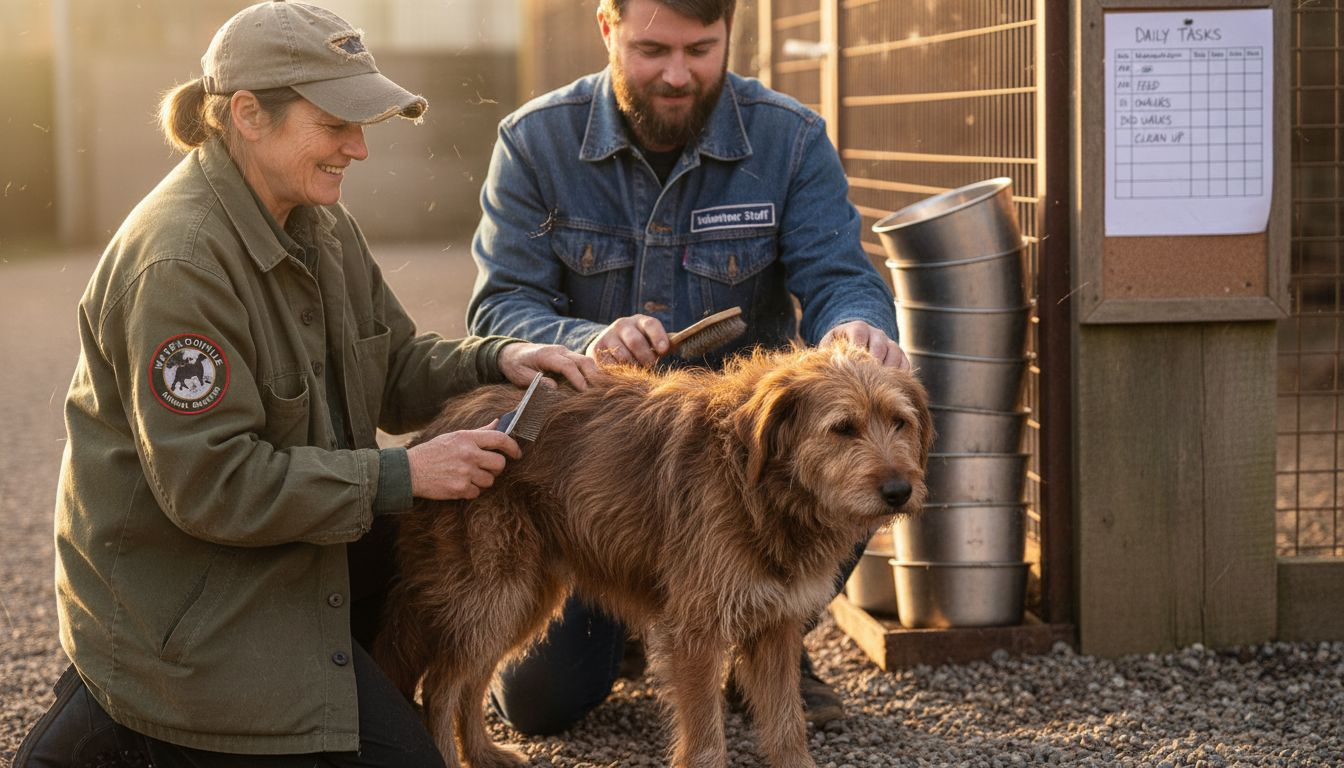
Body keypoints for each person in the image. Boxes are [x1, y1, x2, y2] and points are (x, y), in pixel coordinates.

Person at [14, 3, 596, 767]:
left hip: (291, 548)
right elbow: (213, 484)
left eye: (364, 124)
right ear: (248, 115)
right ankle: (123, 712)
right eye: (336, 124)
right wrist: (407, 473)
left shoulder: (317, 221)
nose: (358, 147)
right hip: (203, 598)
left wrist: (500, 359)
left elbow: (391, 369)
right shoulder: (180, 265)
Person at [466, 0, 908, 735]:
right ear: (607, 28)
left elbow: (838, 273)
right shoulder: (534, 140)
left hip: (744, 476)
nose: (678, 74)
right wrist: (587, 338)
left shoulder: (789, 139)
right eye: (652, 50)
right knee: (541, 702)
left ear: (729, 32)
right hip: (611, 485)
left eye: (701, 49)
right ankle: (658, 627)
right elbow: (499, 307)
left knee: (856, 446)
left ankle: (768, 625)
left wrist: (854, 325)